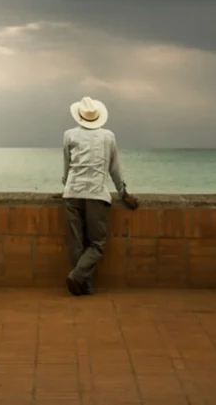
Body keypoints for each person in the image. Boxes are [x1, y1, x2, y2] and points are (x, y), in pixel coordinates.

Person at [61, 96, 138, 296]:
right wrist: (123, 193)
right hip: (96, 195)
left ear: (79, 116)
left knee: (77, 242)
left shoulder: (69, 135)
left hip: (72, 193)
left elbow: (67, 168)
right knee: (97, 243)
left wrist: (65, 186)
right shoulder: (108, 137)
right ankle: (78, 278)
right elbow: (114, 169)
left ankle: (83, 283)